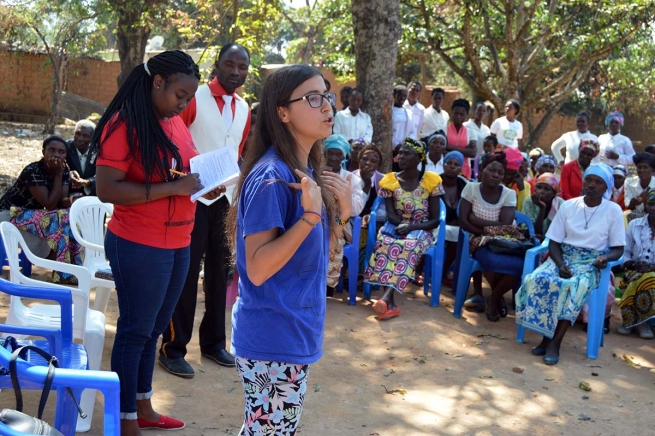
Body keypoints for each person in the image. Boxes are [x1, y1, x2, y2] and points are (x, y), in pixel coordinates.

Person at [92, 50, 220, 434]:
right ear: (157, 82)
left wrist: (207, 187)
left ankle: (143, 405)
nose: (183, 104)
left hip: (179, 238)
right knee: (135, 330)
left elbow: (188, 169)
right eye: (179, 95)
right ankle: (124, 418)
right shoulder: (124, 123)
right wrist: (173, 188)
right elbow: (106, 188)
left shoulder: (175, 122)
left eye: (189, 99)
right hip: (139, 242)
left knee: (156, 328)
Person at [228, 64, 351, 435]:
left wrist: (341, 216)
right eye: (313, 98)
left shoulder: (302, 170)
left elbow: (318, 259)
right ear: (282, 112)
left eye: (327, 96)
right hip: (273, 338)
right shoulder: (271, 177)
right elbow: (259, 268)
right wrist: (311, 217)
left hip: (293, 333)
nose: (327, 106)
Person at [159, 43, 252, 378]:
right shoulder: (193, 96)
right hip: (192, 198)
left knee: (219, 274)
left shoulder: (244, 107)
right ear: (217, 64)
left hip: (225, 200)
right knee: (184, 274)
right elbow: (171, 142)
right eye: (230, 65)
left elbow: (237, 151)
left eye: (243, 68)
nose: (236, 72)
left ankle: (214, 343)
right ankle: (172, 347)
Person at [516, 164, 625, 365]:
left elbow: (618, 249)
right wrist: (559, 264)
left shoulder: (613, 210)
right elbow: (555, 242)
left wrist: (604, 259)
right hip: (563, 256)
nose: (591, 185)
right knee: (538, 278)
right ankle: (545, 336)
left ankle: (553, 342)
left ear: (606, 187)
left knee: (573, 286)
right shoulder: (568, 205)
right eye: (589, 180)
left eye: (598, 182)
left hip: (591, 261)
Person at [364, 138, 443, 320]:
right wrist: (400, 226)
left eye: (407, 153)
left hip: (423, 228)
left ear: (418, 158)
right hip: (397, 223)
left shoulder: (430, 181)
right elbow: (390, 213)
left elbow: (434, 220)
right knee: (385, 241)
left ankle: (385, 298)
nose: (401, 156)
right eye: (400, 153)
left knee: (408, 245)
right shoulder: (390, 180)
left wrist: (412, 227)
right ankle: (389, 304)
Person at [0, 135, 83, 284]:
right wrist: (58, 174)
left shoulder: (64, 170)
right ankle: (63, 272)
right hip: (9, 214)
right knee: (61, 217)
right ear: (43, 151)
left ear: (66, 155)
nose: (56, 155)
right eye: (52, 150)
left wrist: (72, 200)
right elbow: (49, 204)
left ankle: (72, 268)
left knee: (69, 215)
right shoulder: (33, 170)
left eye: (61, 152)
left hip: (32, 216)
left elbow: (60, 203)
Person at [459, 151, 522, 320]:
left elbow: (505, 226)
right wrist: (486, 233)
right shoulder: (470, 188)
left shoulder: (508, 193)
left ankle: (494, 297)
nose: (496, 175)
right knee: (491, 261)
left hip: (506, 241)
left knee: (519, 265)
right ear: (481, 169)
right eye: (492, 170)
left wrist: (476, 220)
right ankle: (496, 298)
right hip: (478, 240)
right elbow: (464, 222)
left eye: (500, 173)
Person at [322, 134, 366, 295]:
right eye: (330, 153)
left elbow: (356, 209)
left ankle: (327, 286)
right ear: (324, 153)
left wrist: (341, 195)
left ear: (343, 156)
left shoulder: (350, 179)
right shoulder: (315, 173)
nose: (333, 157)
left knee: (333, 241)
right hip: (314, 222)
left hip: (341, 223)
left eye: (338, 154)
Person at [617, 189, 655, 339]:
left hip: (653, 273)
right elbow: (624, 252)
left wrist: (652, 267)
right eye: (651, 204)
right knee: (642, 277)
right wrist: (632, 264)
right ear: (646, 205)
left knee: (650, 277)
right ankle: (637, 321)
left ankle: (638, 322)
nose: (654, 209)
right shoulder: (635, 224)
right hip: (634, 271)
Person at [440, 150, 469, 282]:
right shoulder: (435, 182)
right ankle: (419, 269)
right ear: (443, 165)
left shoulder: (465, 185)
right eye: (449, 163)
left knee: (459, 237)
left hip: (456, 225)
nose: (452, 166)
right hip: (435, 223)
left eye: (456, 164)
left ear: (460, 168)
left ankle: (443, 272)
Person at [522, 173, 565, 241]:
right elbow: (532, 232)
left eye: (547, 189)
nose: (541, 191)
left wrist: (545, 240)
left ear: (554, 193)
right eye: (538, 187)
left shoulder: (561, 205)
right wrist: (542, 208)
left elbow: (562, 233)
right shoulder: (529, 201)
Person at [446, 98, 477, 179]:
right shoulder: (443, 129)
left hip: (464, 171)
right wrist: (465, 150)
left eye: (462, 114)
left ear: (467, 115)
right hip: (445, 170)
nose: (458, 116)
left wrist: (449, 147)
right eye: (455, 113)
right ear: (451, 113)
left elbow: (473, 153)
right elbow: (441, 150)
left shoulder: (471, 132)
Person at [66, 119, 97, 196]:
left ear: (92, 139)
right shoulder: (65, 148)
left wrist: (88, 182)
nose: (80, 139)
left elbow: (104, 174)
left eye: (86, 136)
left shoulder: (98, 151)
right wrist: (68, 174)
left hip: (91, 195)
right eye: (78, 134)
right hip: (67, 195)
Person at [624, 152, 655, 222]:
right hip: (634, 220)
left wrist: (645, 202)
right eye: (639, 167)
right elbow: (628, 206)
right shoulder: (629, 182)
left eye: (645, 167)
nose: (642, 170)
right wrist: (634, 202)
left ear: (653, 170)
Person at [502, 147, 531, 212]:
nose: (508, 177)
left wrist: (521, 190)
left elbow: (524, 212)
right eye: (505, 173)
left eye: (512, 174)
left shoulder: (525, 185)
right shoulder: (495, 181)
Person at [391, 85, 414, 150]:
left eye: (405, 96)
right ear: (394, 95)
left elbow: (412, 131)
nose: (402, 98)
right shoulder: (389, 112)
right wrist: (396, 145)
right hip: (392, 148)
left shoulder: (409, 113)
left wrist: (407, 144)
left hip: (405, 148)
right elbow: (388, 132)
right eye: (400, 95)